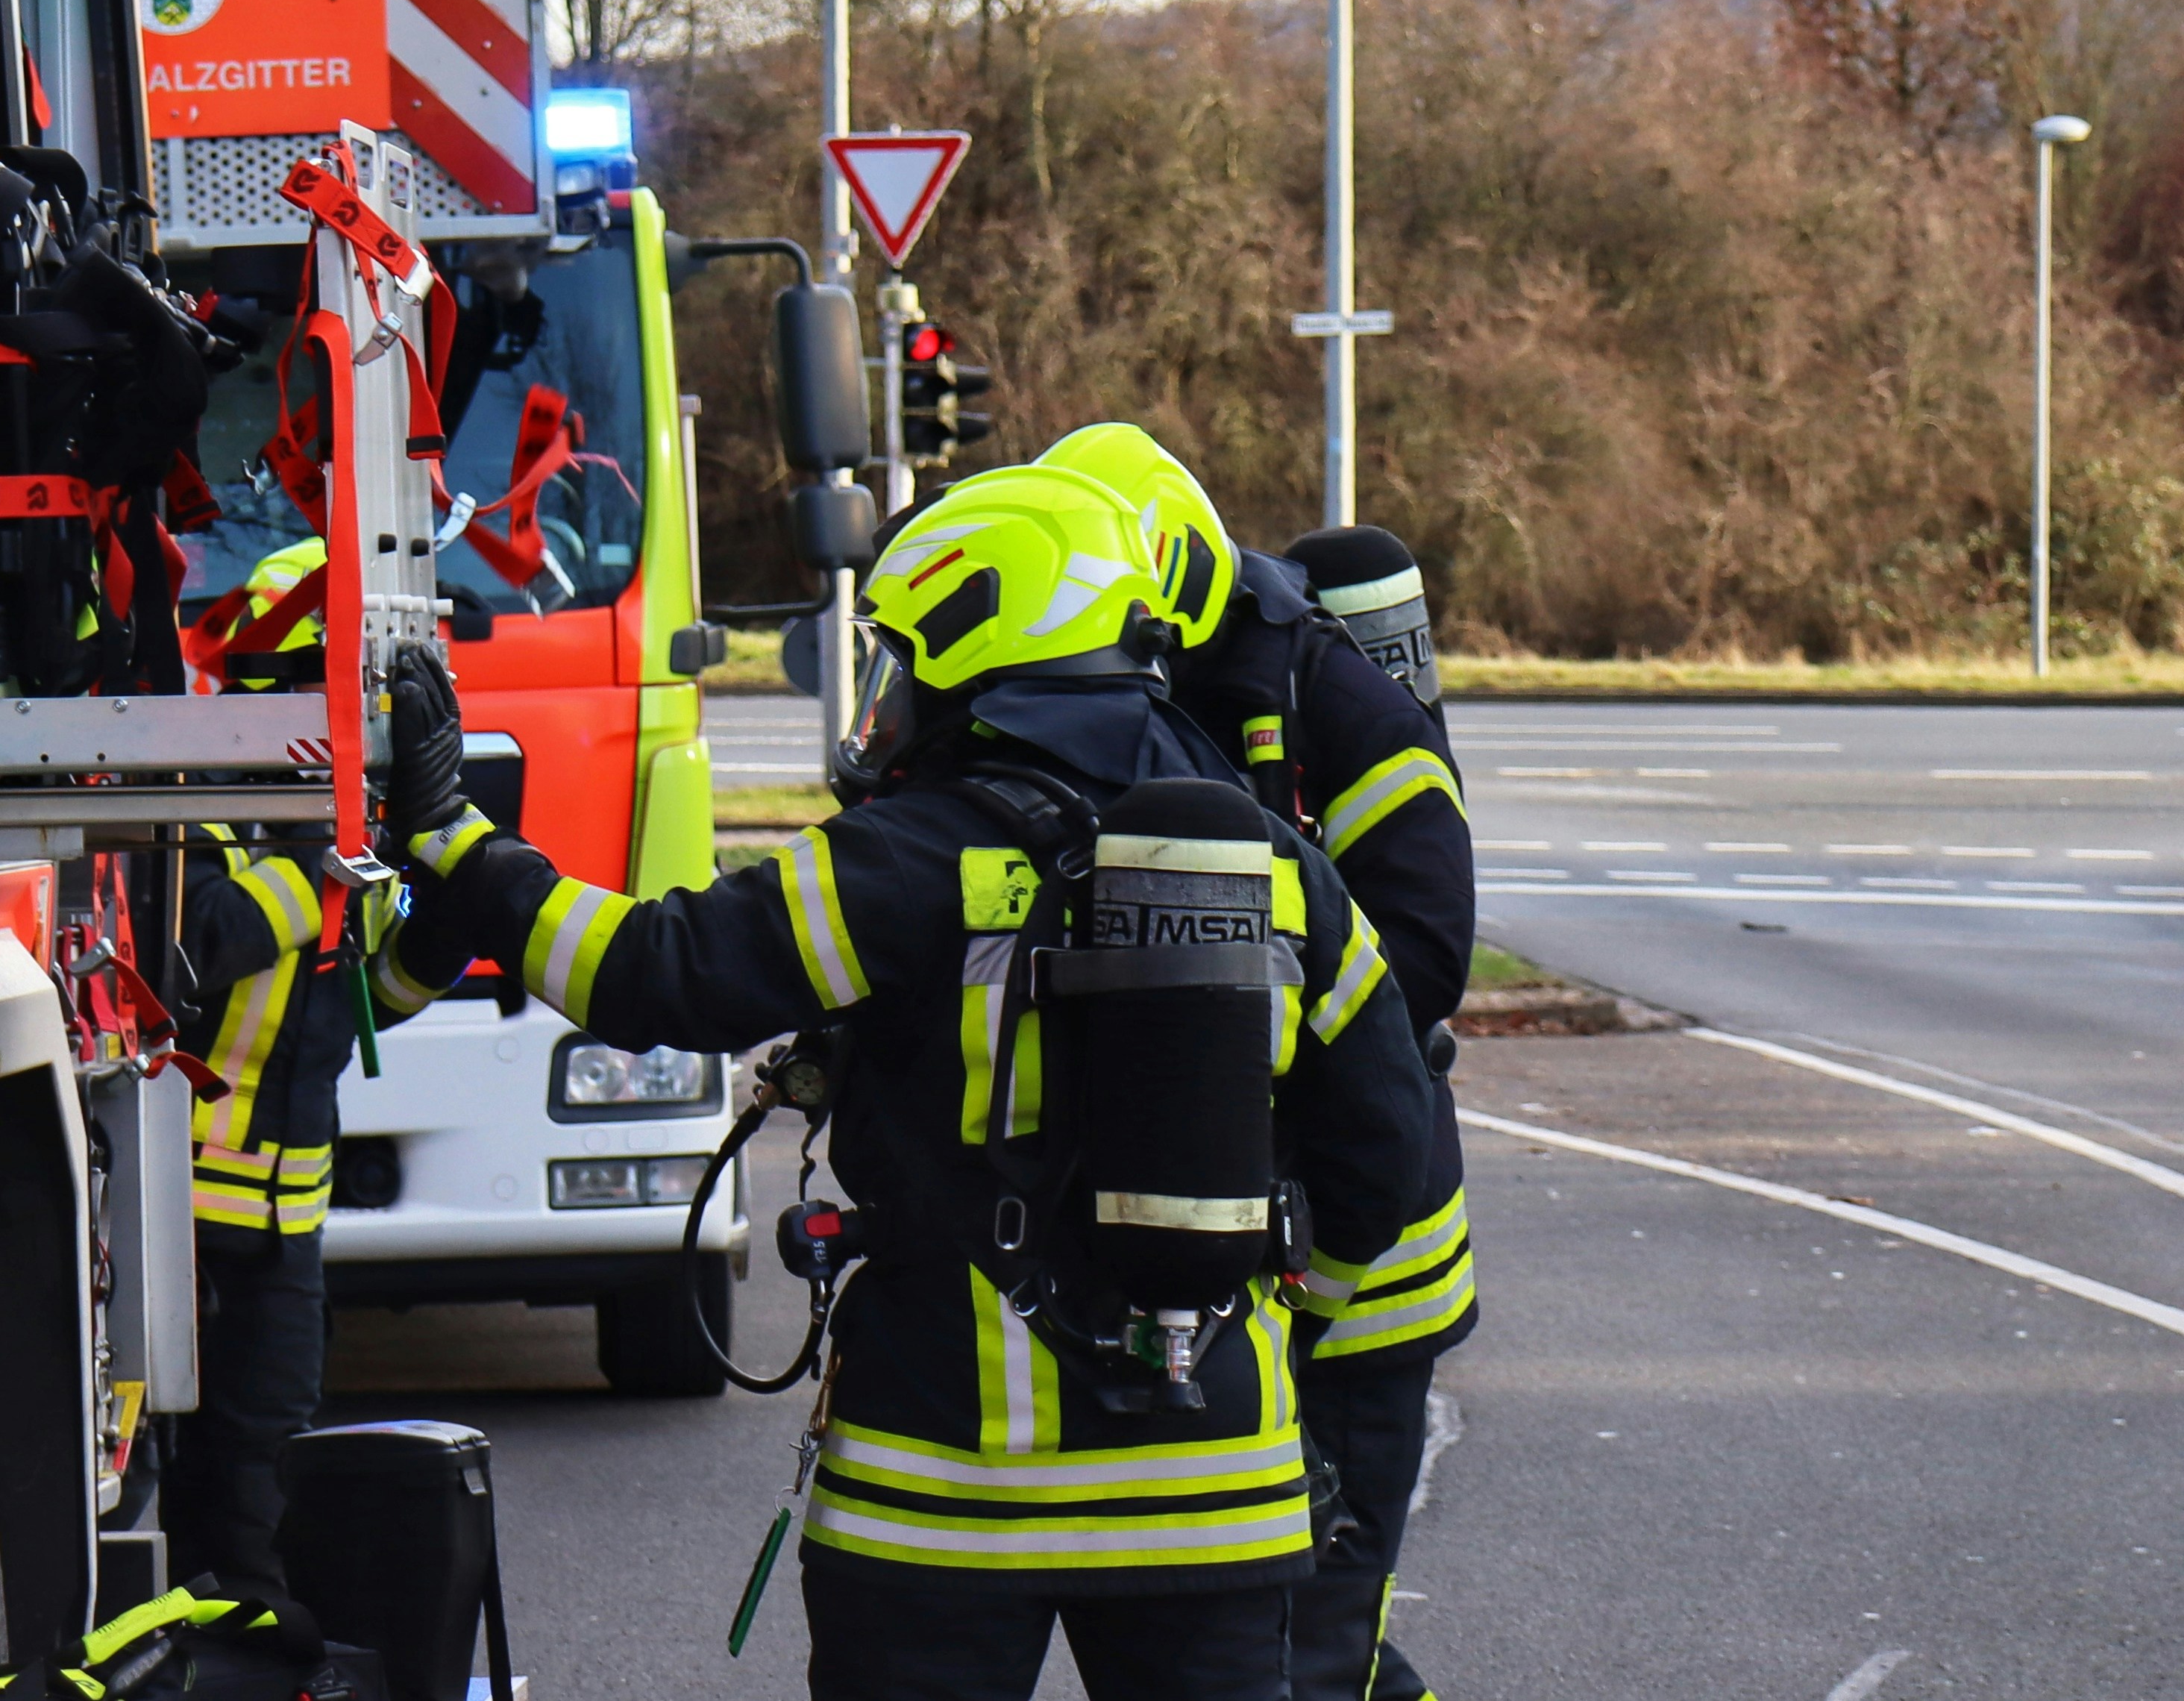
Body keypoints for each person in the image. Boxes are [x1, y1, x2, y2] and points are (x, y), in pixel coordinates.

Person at [384, 464, 1438, 1700]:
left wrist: (460, 843)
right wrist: (1276, 1319)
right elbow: (1386, 1149)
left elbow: (654, 974)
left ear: (979, 634)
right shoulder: (1275, 866)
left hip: (941, 1493)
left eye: (901, 653)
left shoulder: (905, 858)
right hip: (1215, 1492)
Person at [1038, 427, 1475, 1701]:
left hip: (1358, 1263)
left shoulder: (1336, 707)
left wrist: (1232, 1041)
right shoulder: (1128, 690)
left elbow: (1422, 959)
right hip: (1213, 1244)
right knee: (1256, 1636)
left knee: (1313, 1640)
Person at [163, 544, 430, 1594]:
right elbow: (189, 956)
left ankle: (263, 1647)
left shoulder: (347, 844)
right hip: (179, 1214)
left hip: (283, 1231)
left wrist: (443, 921)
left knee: (268, 1473)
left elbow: (373, 1006)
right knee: (174, 1469)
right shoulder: (197, 820)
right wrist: (312, 870)